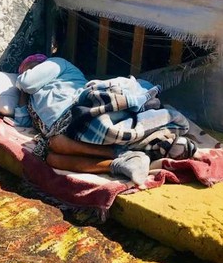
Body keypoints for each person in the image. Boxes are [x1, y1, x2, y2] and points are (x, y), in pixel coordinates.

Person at [13, 55, 152, 185]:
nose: (27, 73)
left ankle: (122, 153)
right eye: (23, 72)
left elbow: (26, 82)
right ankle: (119, 165)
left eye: (31, 68)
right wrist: (23, 94)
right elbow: (22, 121)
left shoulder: (57, 63)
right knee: (51, 158)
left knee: (56, 142)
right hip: (61, 131)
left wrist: (22, 81)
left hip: (79, 110)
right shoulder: (32, 96)